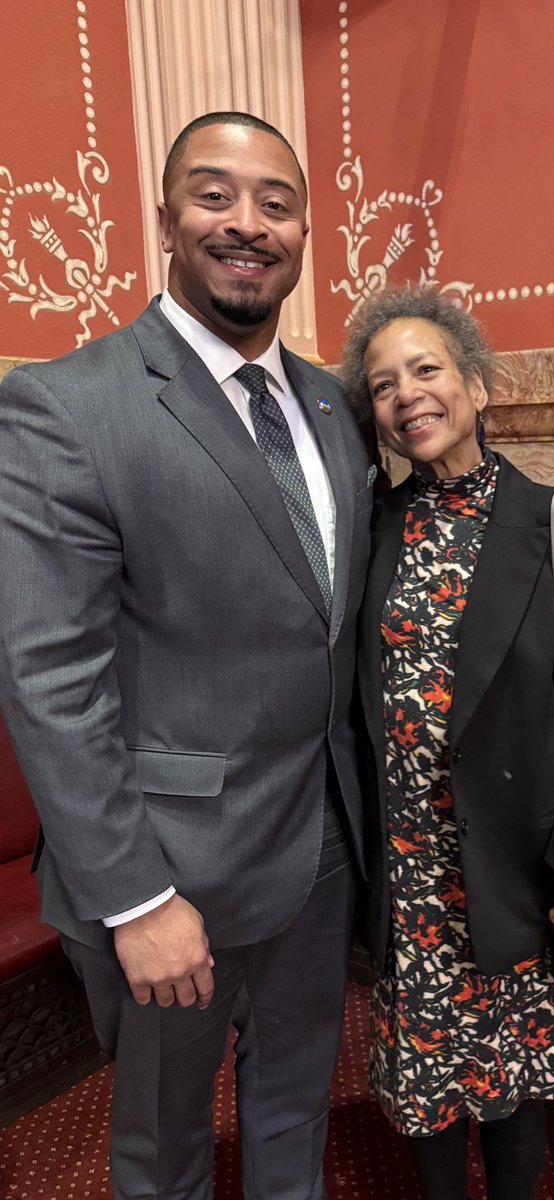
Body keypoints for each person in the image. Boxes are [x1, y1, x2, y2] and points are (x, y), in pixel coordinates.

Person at [0, 112, 374, 1200]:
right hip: (169, 879)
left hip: (319, 854)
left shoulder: (330, 406)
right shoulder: (64, 407)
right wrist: (133, 900)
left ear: (304, 230)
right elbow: (49, 680)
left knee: (294, 1113)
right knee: (163, 1156)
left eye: (276, 202)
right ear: (165, 216)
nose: (247, 223)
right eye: (215, 195)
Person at [340, 285, 554, 1200]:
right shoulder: (372, 531)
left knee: (512, 1082)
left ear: (477, 385)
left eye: (427, 370)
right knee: (427, 1085)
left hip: (514, 860)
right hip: (408, 871)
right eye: (384, 384)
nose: (407, 395)